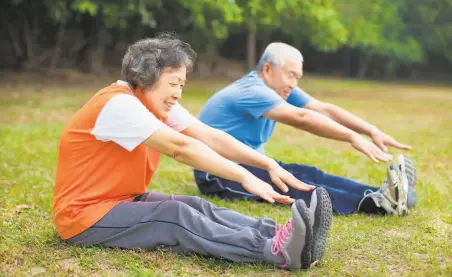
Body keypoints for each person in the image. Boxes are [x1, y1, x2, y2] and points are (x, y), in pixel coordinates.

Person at [52, 33, 333, 271]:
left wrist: (267, 163)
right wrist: (243, 176)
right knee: (174, 215)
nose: (178, 93)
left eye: (182, 86)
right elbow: (180, 147)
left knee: (196, 206)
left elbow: (209, 135)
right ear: (145, 78)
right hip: (84, 218)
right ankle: (277, 250)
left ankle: (279, 234)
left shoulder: (154, 103)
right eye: (173, 84)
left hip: (120, 199)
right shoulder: (118, 105)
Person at [194, 42, 418, 216]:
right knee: (297, 185)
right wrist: (351, 137)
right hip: (218, 175)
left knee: (309, 174)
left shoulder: (279, 88)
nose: (293, 84)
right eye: (290, 75)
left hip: (250, 164)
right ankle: (376, 204)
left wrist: (371, 130)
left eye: (298, 78)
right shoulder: (253, 91)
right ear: (268, 69)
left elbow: (323, 109)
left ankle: (384, 193)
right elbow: (301, 117)